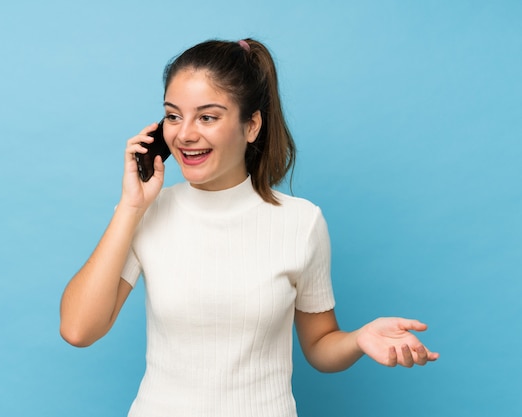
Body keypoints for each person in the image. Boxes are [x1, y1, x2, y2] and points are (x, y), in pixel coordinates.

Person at [60, 38, 439, 417]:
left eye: (207, 117)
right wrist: (130, 206)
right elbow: (78, 330)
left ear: (252, 125)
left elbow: (320, 346)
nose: (185, 134)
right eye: (173, 116)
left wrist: (359, 339)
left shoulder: (301, 222)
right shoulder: (146, 213)